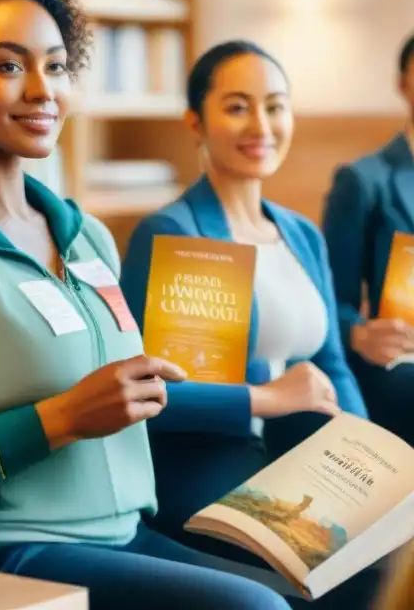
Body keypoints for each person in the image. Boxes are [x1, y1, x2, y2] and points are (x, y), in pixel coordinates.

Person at [0, 0, 292, 610]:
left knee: (308, 590)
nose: (42, 90)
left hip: (127, 532)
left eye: (56, 66)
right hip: (9, 548)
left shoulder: (86, 235)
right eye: (8, 67)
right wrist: (64, 417)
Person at [118, 40, 379, 606]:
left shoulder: (300, 233)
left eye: (275, 105)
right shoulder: (176, 232)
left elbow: (331, 362)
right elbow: (156, 398)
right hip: (213, 473)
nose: (260, 124)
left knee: (392, 543)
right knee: (342, 570)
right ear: (196, 122)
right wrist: (268, 397)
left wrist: (371, 461)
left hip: (303, 468)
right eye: (237, 106)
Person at [322, 32, 414, 447]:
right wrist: (358, 333)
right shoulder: (363, 181)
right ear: (402, 84)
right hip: (400, 364)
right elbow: (329, 302)